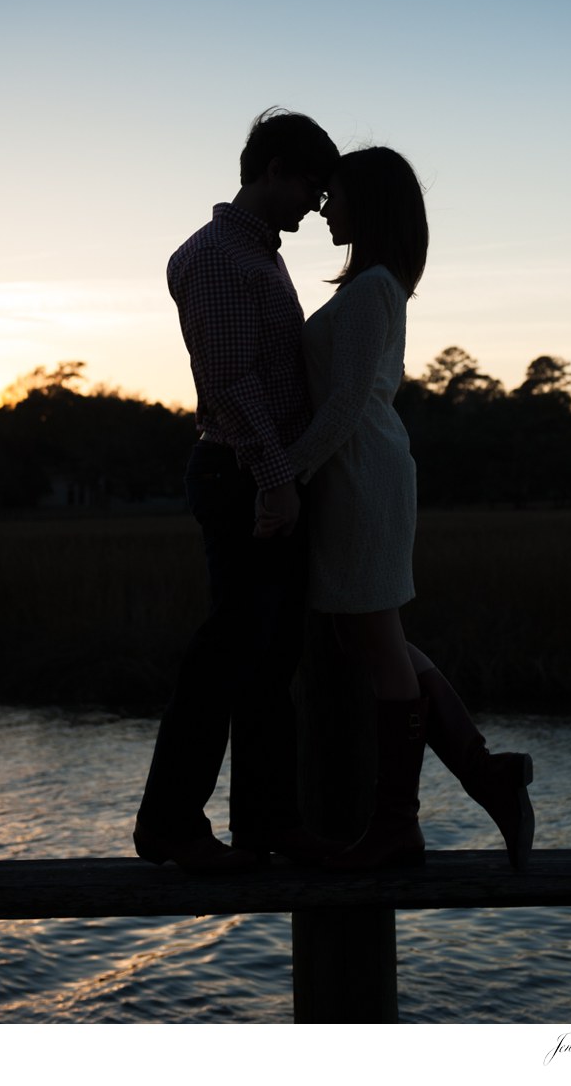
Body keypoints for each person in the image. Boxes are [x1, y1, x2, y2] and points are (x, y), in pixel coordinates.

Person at [257, 146, 535, 871]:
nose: (324, 207)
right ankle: (485, 774)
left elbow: (348, 402)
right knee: (373, 642)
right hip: (352, 475)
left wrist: (284, 474)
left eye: (336, 194)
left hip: (360, 478)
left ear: (370, 204)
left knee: (377, 648)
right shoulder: (374, 285)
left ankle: (398, 825)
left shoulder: (376, 287)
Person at [134, 108, 340, 873]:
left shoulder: (254, 251)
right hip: (242, 473)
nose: (315, 210)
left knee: (266, 659)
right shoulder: (220, 256)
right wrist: (277, 481)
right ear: (275, 168)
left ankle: (267, 824)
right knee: (227, 650)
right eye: (311, 190)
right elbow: (230, 382)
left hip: (255, 470)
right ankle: (169, 824)